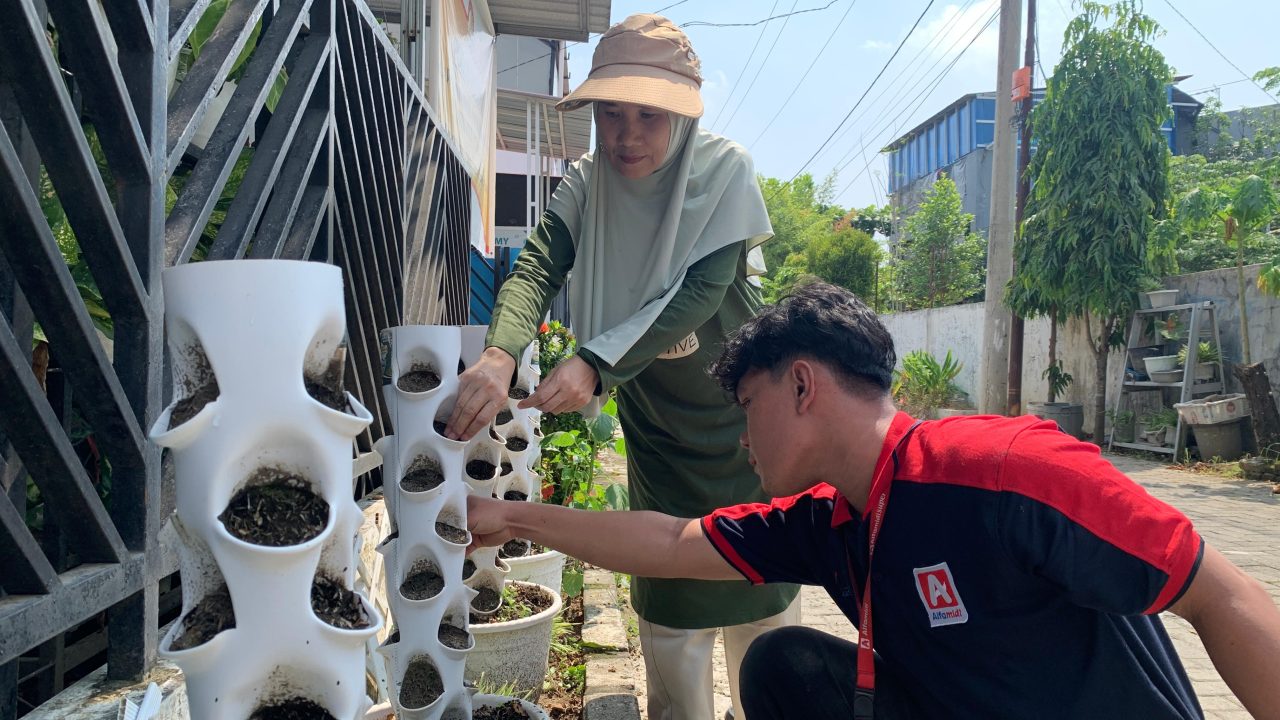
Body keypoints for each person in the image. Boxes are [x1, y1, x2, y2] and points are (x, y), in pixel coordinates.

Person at [466, 281, 1280, 719]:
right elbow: (675, 543)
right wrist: (510, 517)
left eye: (747, 408)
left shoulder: (1005, 467)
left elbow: (1221, 592)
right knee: (786, 668)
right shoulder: (831, 519)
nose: (744, 441)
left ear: (803, 385)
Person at [444, 14, 800, 719]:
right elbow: (539, 262)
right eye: (611, 114)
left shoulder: (724, 172)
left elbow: (700, 291)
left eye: (648, 116)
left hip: (750, 428)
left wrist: (595, 364)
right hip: (659, 424)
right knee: (671, 601)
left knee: (765, 608)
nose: (626, 136)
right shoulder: (587, 182)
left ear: (682, 117)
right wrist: (497, 354)